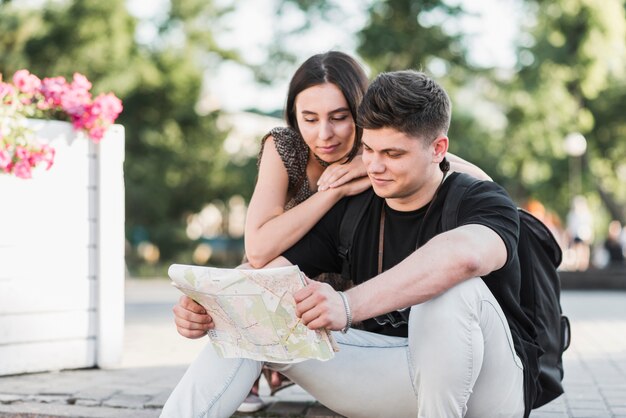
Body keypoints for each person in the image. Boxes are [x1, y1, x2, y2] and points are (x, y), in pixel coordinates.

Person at [162, 70, 528, 418]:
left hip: (488, 389)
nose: (375, 166)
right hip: (396, 378)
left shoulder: (481, 200)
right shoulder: (354, 211)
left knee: (450, 291)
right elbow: (266, 277)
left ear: (438, 149)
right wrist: (210, 302)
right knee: (250, 316)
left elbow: (463, 257)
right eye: (369, 149)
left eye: (393, 154)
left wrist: (347, 305)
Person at [239, 51, 491, 412]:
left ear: (359, 114)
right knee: (248, 282)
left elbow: (480, 181)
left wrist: (363, 161)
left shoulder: (375, 150)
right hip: (293, 269)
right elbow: (259, 249)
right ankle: (250, 368)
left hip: (357, 285)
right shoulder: (285, 147)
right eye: (308, 118)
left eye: (339, 118)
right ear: (294, 116)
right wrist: (335, 191)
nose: (323, 134)